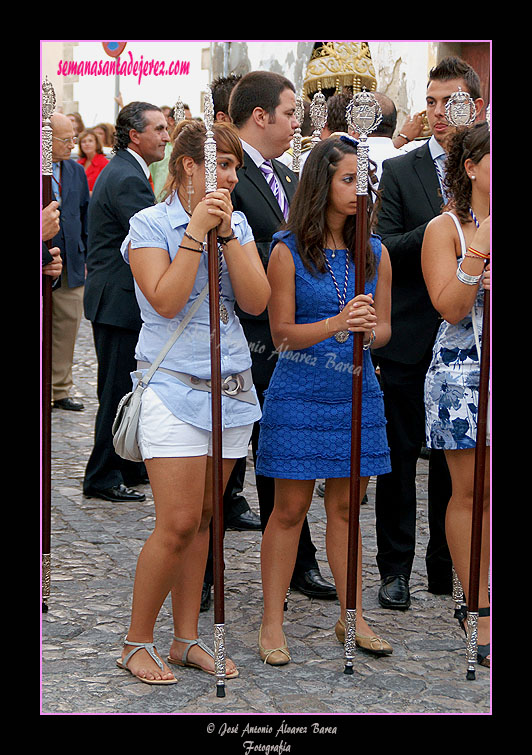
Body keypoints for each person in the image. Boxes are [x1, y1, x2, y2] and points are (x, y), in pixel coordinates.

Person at [115, 119, 270, 684]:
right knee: (177, 521)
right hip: (173, 388)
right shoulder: (149, 224)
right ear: (188, 165)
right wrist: (193, 232)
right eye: (222, 165)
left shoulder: (240, 223)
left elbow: (256, 301)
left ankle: (185, 639)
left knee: (207, 518)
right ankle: (136, 641)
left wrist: (226, 235)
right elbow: (164, 299)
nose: (231, 176)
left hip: (229, 390)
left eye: (234, 167)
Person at [256, 134, 393, 664]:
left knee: (345, 508)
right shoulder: (286, 249)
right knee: (289, 509)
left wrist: (365, 329)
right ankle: (272, 622)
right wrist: (338, 323)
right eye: (348, 179)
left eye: (364, 181)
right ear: (322, 182)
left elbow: (384, 331)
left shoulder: (375, 251)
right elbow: (281, 333)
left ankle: (351, 615)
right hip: (299, 392)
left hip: (357, 390)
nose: (360, 191)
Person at [373, 56, 484, 609]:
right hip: (413, 331)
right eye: (432, 100)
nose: (439, 113)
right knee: (398, 456)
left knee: (459, 463)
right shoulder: (401, 168)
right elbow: (382, 246)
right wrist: (442, 228)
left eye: (452, 102)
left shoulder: (489, 171)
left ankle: (450, 569)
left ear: (476, 106)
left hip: (472, 344)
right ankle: (395, 569)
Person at [228, 70, 337, 600]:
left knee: (282, 457)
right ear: (260, 115)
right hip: (243, 336)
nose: (298, 123)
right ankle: (204, 572)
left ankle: (298, 561)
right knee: (228, 465)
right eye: (291, 113)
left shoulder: (290, 179)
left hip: (289, 342)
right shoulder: (229, 175)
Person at [422, 121, 490, 668]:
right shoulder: (445, 229)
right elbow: (449, 306)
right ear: (470, 167)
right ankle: (478, 604)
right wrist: (479, 252)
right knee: (470, 492)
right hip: (464, 372)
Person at [83, 102, 170, 503]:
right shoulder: (126, 177)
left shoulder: (126, 168)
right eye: (158, 129)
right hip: (118, 303)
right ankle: (101, 474)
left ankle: (129, 466)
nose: (166, 137)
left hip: (115, 300)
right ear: (135, 135)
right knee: (116, 390)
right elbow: (153, 236)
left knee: (127, 386)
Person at [49, 113, 90, 411]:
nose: (72, 144)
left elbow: (85, 214)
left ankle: (59, 389)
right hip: (44, 258)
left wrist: (85, 253)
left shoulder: (75, 170)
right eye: (66, 139)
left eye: (74, 137)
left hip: (71, 261)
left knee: (66, 328)